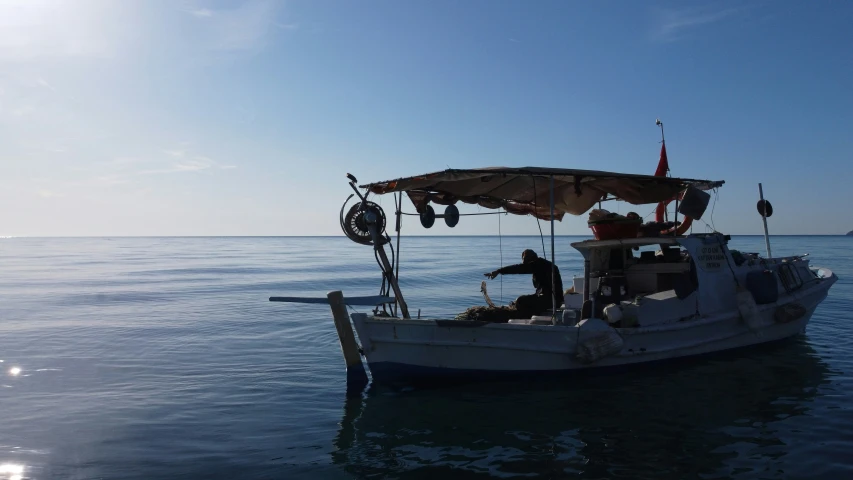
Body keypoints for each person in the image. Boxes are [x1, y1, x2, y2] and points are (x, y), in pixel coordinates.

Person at [484, 249, 564, 318]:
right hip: (555, 300)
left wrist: (499, 271)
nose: (523, 263)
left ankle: (526, 316)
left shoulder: (538, 265)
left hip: (551, 301)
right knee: (519, 301)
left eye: (524, 260)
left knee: (520, 300)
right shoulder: (542, 265)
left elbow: (517, 268)